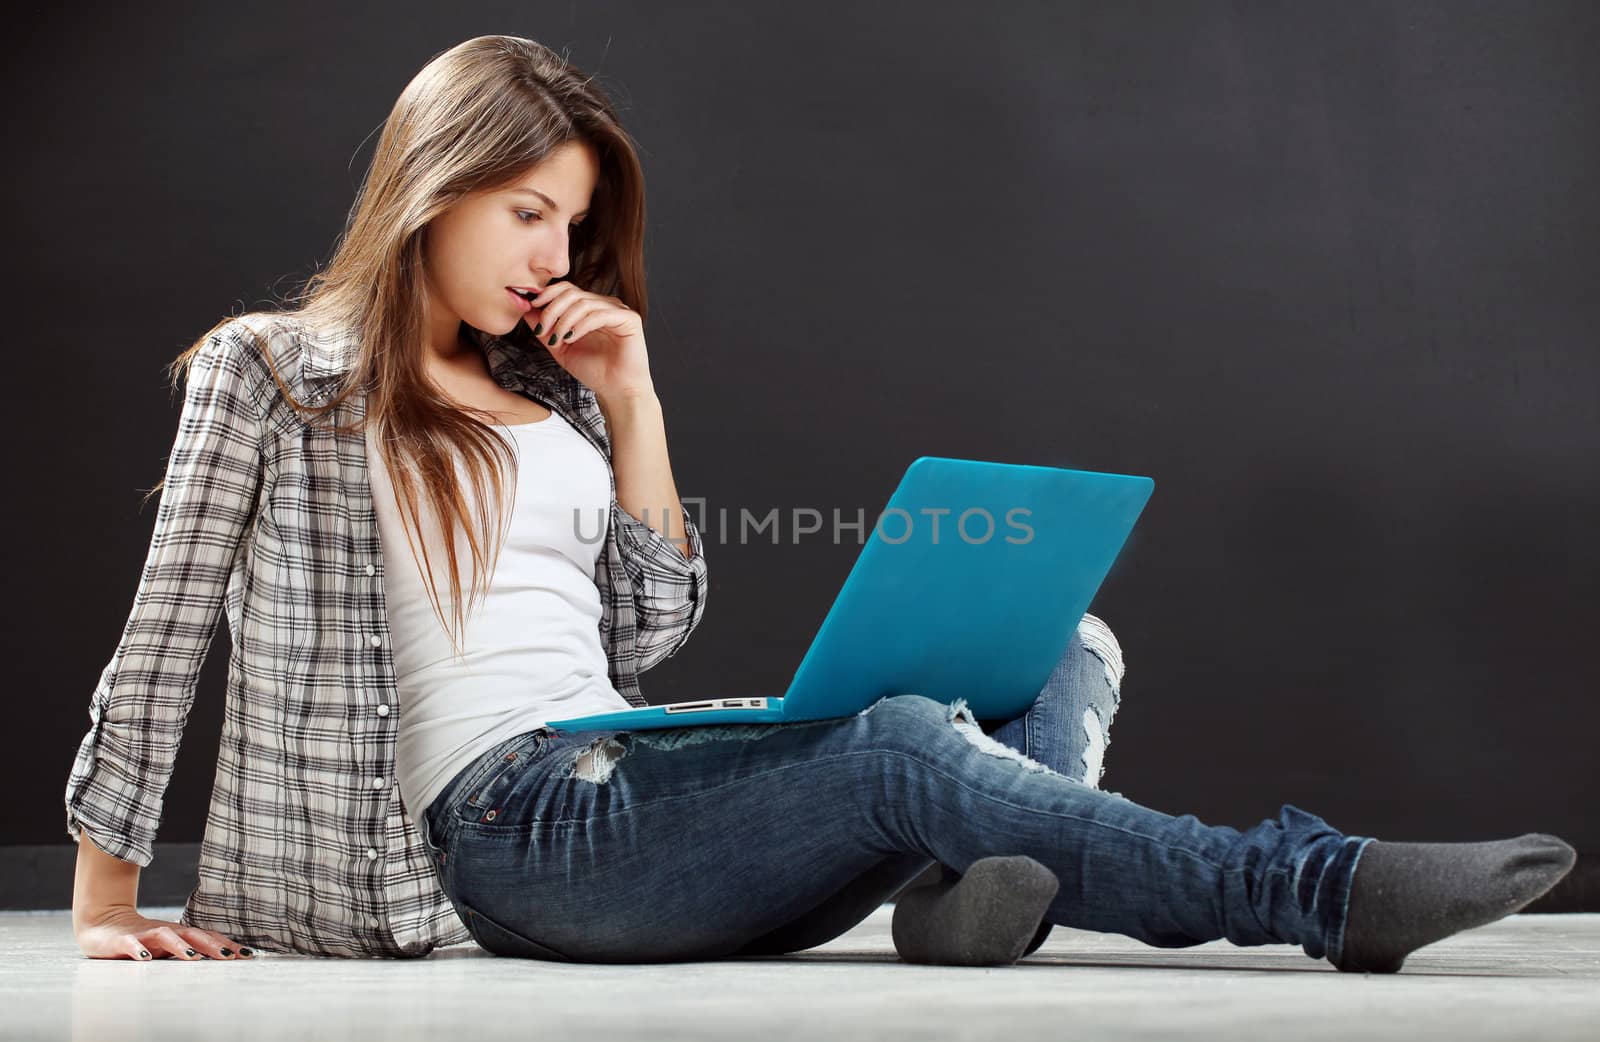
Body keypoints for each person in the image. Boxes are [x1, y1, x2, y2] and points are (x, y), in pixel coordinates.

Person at [66, 35, 1574, 968]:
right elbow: (165, 626)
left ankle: (967, 901)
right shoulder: (281, 371)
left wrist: (638, 401)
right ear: (431, 188)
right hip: (498, 835)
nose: (553, 254)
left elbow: (646, 631)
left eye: (573, 225)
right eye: (528, 212)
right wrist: (102, 895)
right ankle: (1309, 884)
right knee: (907, 740)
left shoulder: (562, 392)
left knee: (1060, 645)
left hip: (621, 768)